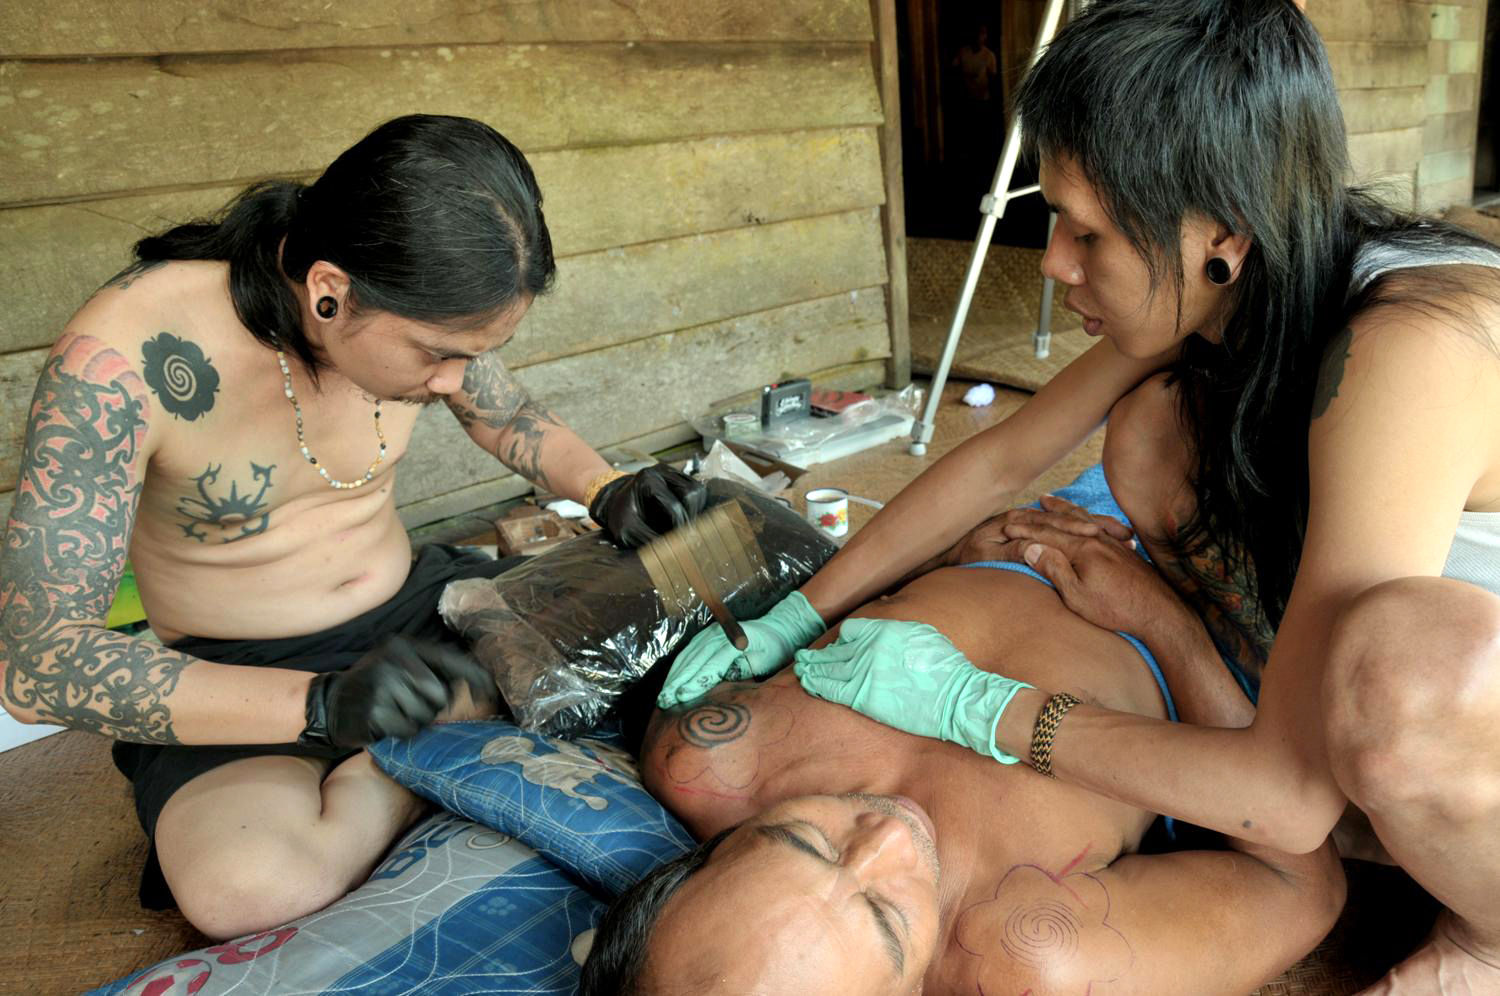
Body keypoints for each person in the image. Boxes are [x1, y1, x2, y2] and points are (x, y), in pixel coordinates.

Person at [660, 3, 1500, 991]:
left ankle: (1483, 937)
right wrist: (799, 613)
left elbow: (1286, 809)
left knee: (1404, 671)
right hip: (1358, 648)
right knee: (1154, 434)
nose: (1056, 262)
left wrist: (977, 705)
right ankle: (1320, 746)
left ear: (1222, 234)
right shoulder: (1245, 281)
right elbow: (1001, 461)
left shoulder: (1409, 354)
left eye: (1088, 233)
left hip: (1460, 674)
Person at [0, 113, 706, 939]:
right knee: (247, 887)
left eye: (472, 354)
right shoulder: (121, 358)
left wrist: (607, 487)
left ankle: (430, 732)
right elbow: (38, 664)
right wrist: (324, 705)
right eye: (436, 354)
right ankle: (443, 739)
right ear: (329, 290)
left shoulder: (420, 308)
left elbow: (506, 415)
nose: (455, 382)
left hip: (422, 617)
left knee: (696, 602)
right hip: (242, 673)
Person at [583, 510, 1344, 994]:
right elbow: (1300, 883)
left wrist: (947, 555)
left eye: (803, 839)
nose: (887, 834)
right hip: (1223, 610)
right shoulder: (1026, 953)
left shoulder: (708, 759)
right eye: (887, 917)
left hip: (1029, 524)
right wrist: (1165, 623)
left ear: (707, 857)